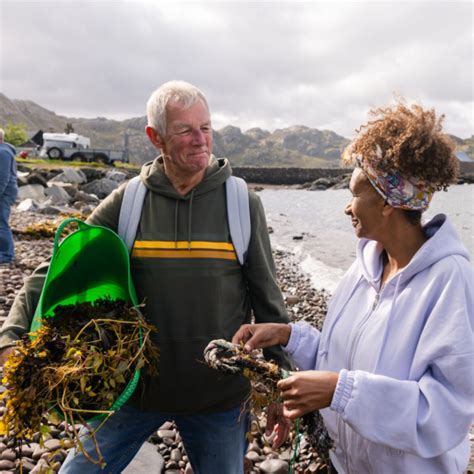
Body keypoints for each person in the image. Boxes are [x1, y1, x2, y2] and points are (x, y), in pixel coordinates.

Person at [0, 81, 291, 473]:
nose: (200, 140)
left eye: (205, 127)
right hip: (132, 392)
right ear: (155, 137)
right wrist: (12, 334)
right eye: (184, 130)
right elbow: (58, 265)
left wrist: (281, 387)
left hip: (218, 399)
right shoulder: (128, 201)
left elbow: (268, 300)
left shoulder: (241, 203)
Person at [233, 102, 474, 473]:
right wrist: (288, 336)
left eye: (355, 194)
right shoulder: (363, 268)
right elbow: (340, 361)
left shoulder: (449, 281)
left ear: (389, 202)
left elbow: (444, 413)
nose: (347, 208)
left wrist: (340, 392)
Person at [0, 128, 18, 264]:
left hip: (4, 193)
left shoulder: (3, 152)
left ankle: (7, 255)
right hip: (5, 192)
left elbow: (3, 177)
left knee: (2, 223)